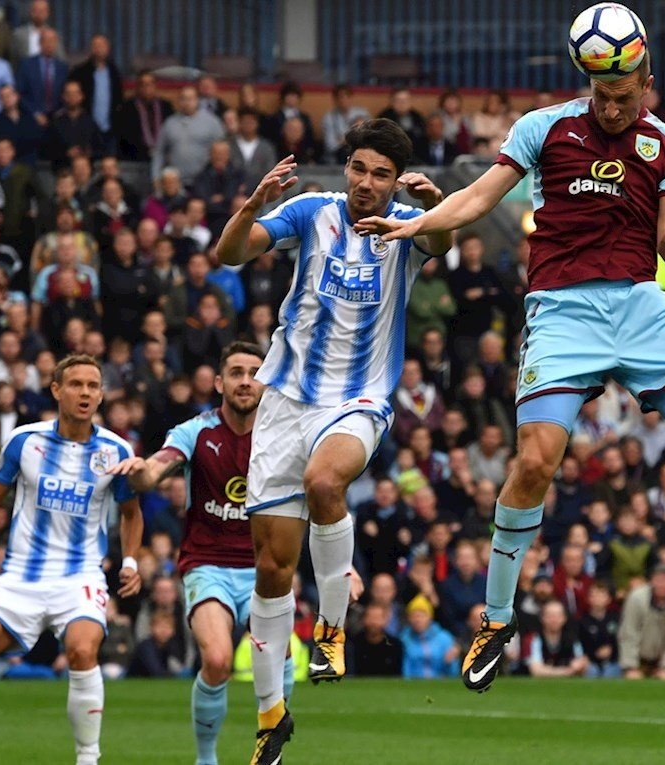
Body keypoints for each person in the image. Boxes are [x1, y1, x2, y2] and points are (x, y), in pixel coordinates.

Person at [356, 46, 665, 696]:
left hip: (639, 305)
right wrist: (421, 224)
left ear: (647, 84)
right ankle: (497, 618)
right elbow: (482, 196)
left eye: (625, 93)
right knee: (536, 460)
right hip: (562, 311)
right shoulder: (544, 129)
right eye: (602, 92)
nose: (613, 105)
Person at [212, 120, 452, 764]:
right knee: (270, 570)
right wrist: (252, 205)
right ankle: (270, 716)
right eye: (358, 168)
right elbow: (229, 254)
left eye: (380, 174)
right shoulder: (311, 211)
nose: (366, 184)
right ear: (346, 167)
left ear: (396, 179)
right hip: (285, 400)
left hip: (359, 397)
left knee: (326, 483)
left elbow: (448, 240)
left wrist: (432, 210)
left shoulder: (407, 225)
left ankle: (331, 627)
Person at [0, 355, 142, 765]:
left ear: (101, 394)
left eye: (93, 386)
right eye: (76, 384)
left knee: (84, 651)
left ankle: (88, 758)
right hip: (20, 578)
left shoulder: (116, 449)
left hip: (80, 576)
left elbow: (132, 513)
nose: (85, 393)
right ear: (56, 390)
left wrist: (131, 561)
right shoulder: (25, 441)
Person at [107, 343, 293, 765]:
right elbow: (160, 464)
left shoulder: (283, 434)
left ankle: (272, 749)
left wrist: (344, 571)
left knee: (279, 659)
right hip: (208, 565)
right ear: (219, 383)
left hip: (267, 567)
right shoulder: (197, 431)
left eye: (254, 372)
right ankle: (206, 758)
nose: (246, 381)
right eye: (236, 372)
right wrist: (143, 471)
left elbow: (318, 498)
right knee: (216, 659)